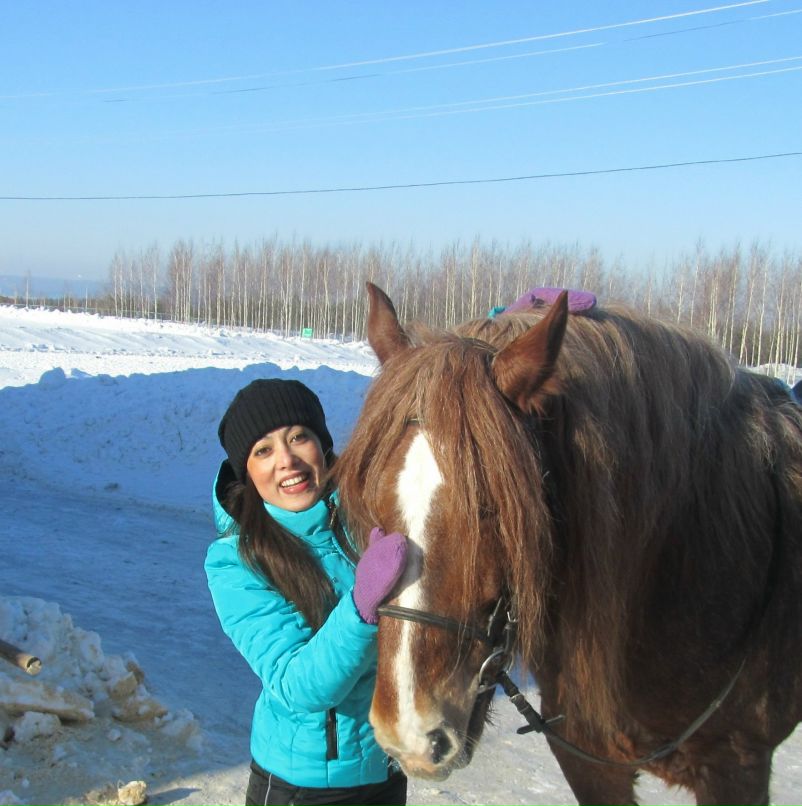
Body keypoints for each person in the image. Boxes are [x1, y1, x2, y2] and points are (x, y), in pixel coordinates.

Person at [205, 378, 408, 806]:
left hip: (387, 769)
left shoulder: (368, 518)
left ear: (323, 445)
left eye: (299, 437)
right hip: (304, 788)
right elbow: (298, 686)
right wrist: (361, 607)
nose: (287, 461)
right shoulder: (236, 561)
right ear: (247, 471)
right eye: (263, 451)